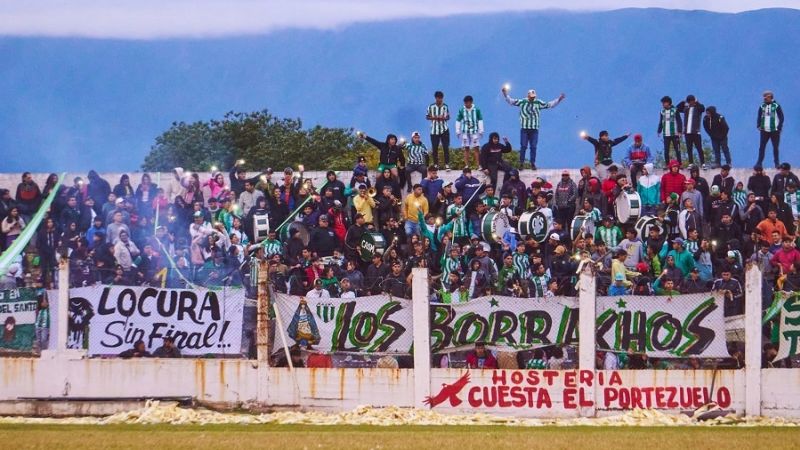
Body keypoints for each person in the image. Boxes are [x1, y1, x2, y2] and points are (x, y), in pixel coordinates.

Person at [502, 85, 565, 170]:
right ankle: (521, 163)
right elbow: (511, 101)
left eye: (533, 97)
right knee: (523, 146)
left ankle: (532, 163)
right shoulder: (522, 102)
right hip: (525, 128)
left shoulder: (538, 102)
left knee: (533, 146)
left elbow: (549, 105)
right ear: (528, 96)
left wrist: (559, 99)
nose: (532, 98)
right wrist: (505, 94)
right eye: (531, 97)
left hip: (534, 129)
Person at [756, 90, 784, 169]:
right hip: (764, 130)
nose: (765, 98)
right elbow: (759, 116)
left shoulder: (776, 106)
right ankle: (759, 162)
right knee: (762, 147)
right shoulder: (762, 106)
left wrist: (779, 127)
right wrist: (758, 125)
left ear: (771, 97)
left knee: (775, 147)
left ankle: (777, 163)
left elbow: (781, 117)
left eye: (766, 97)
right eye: (764, 97)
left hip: (774, 130)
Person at [676, 95, 706, 167]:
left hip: (696, 132)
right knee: (689, 148)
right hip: (687, 132)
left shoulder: (698, 108)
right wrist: (683, 102)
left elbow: (703, 108)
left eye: (691, 101)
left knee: (699, 148)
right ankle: (691, 163)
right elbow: (677, 108)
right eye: (689, 101)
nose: (690, 103)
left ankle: (703, 163)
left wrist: (697, 102)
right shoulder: (686, 109)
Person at [455, 95, 484, 169]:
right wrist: (457, 130)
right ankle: (467, 165)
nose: (465, 104)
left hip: (474, 131)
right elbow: (458, 120)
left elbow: (480, 119)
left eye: (467, 103)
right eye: (465, 103)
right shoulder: (462, 110)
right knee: (466, 148)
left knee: (476, 148)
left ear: (471, 102)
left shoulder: (476, 110)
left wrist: (481, 130)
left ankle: (479, 165)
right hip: (465, 132)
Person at [426, 91, 451, 170]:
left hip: (444, 129)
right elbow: (427, 117)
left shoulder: (445, 106)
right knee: (435, 148)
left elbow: (448, 117)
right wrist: (435, 117)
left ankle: (447, 164)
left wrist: (443, 118)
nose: (439, 100)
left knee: (445, 147)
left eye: (441, 98)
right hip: (434, 130)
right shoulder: (431, 106)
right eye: (438, 98)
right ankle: (436, 164)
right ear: (435, 98)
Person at [657, 96, 683, 165]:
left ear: (668, 103)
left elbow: (679, 120)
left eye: (664, 103)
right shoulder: (662, 111)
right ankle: (667, 164)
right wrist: (659, 130)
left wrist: (680, 131)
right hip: (666, 134)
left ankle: (679, 164)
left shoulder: (675, 110)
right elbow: (661, 121)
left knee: (677, 149)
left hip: (675, 133)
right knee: (666, 150)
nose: (663, 104)